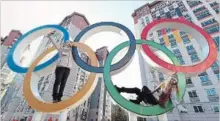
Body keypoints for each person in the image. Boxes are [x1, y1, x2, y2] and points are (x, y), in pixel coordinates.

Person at [115, 74, 187, 113]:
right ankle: (120, 89)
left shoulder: (172, 89)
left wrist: (181, 109)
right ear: (170, 79)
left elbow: (174, 100)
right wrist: (149, 92)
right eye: (173, 78)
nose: (173, 80)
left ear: (175, 82)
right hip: (152, 97)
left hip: (156, 102)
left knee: (144, 88)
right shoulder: (164, 85)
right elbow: (154, 90)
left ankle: (137, 100)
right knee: (137, 90)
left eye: (175, 80)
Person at [46, 32, 74, 103]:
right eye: (66, 42)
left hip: (68, 69)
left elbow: (80, 49)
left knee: (63, 83)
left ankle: (59, 98)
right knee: (57, 82)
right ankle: (54, 97)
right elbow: (55, 43)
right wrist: (50, 36)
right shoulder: (61, 48)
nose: (68, 43)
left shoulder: (73, 51)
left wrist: (73, 45)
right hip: (60, 67)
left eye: (69, 42)